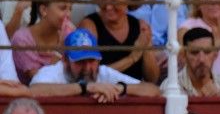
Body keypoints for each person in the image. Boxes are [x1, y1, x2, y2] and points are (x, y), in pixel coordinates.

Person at [31, 25, 164, 98]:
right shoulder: (53, 72)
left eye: (92, 61)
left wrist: (120, 88)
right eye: (80, 62)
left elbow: (153, 90)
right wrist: (86, 88)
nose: (88, 67)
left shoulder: (103, 72)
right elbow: (35, 90)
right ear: (65, 59)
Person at [82, 0, 158, 82]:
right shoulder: (89, 25)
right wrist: (132, 58)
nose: (108, 7)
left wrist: (145, 49)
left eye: (114, 0)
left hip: (134, 92)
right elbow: (91, 76)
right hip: (102, 92)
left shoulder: (140, 26)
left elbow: (153, 79)